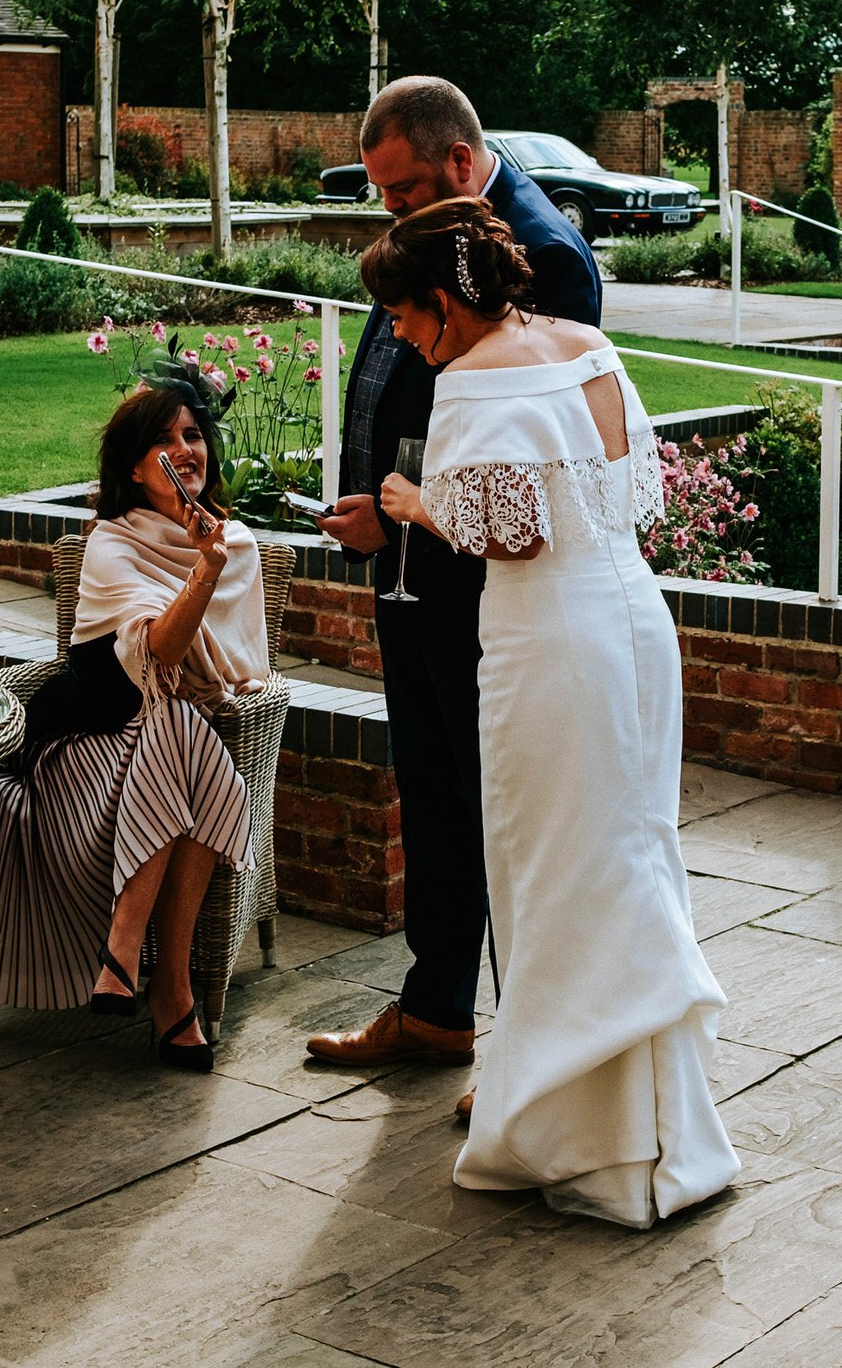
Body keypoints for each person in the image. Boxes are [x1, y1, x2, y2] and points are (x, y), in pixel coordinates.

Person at [362, 195, 736, 1227]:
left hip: (548, 641)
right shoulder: (587, 343)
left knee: (553, 866)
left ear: (443, 302)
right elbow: (635, 494)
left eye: (402, 315)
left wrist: (413, 503)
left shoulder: (473, 373)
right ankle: (652, 1128)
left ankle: (594, 1145)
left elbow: (513, 534)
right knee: (625, 851)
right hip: (630, 622)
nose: (399, 334)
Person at [306, 77, 600, 1077]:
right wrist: (371, 509)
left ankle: (530, 1048)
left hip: (485, 599)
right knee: (432, 799)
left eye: (400, 192)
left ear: (460, 165)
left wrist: (409, 519)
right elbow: (408, 391)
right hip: (406, 570)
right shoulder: (431, 237)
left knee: (504, 815)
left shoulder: (541, 257)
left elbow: (521, 470)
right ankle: (436, 1008)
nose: (389, 212)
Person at [0, 384, 269, 1071]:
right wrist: (201, 573)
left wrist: (213, 560)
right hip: (83, 746)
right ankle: (169, 985)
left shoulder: (234, 546)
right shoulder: (110, 541)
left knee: (181, 723)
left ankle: (124, 955)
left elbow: (234, 671)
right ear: (134, 467)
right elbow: (159, 651)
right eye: (168, 441)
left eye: (195, 435)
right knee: (184, 725)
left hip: (172, 743)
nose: (188, 451)